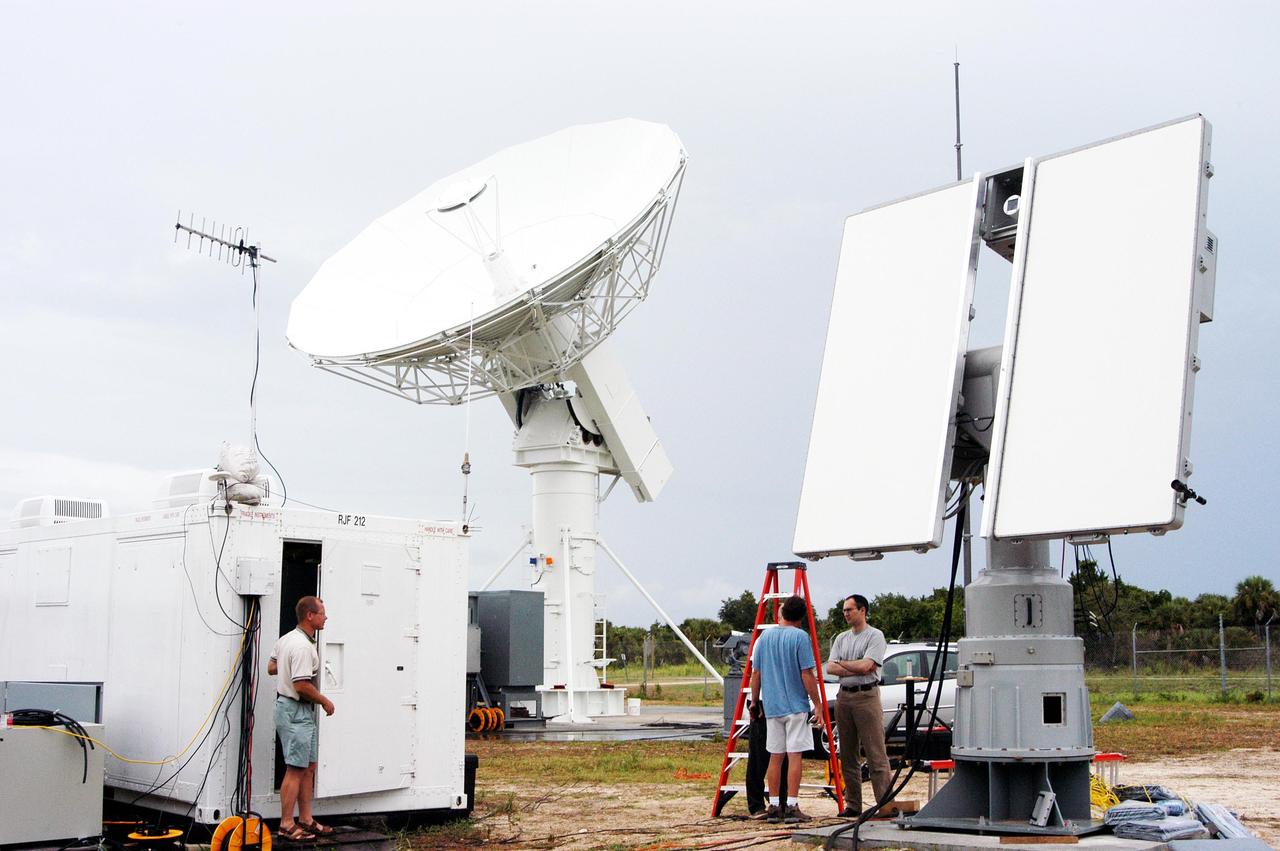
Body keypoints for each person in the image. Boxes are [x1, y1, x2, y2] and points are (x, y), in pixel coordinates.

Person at [749, 594, 825, 824]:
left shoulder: (764, 637)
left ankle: (773, 805)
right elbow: (806, 673)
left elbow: (756, 673)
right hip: (795, 706)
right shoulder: (800, 638)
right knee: (794, 756)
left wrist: (754, 701)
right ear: (801, 617)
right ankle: (791, 804)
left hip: (772, 707)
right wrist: (818, 703)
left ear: (782, 614)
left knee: (775, 756)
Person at [268, 596, 336, 840]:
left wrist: (287, 665)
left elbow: (271, 667)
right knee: (296, 768)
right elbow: (301, 686)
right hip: (295, 709)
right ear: (310, 616)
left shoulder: (287, 640)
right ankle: (286, 824)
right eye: (322, 613)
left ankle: (305, 819)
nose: (325, 617)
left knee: (308, 767)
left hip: (296, 710)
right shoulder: (303, 647)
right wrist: (325, 701)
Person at [825, 593, 891, 817]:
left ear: (862, 611)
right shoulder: (841, 638)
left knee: (875, 753)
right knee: (848, 753)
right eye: (844, 610)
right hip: (844, 696)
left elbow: (868, 667)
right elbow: (830, 668)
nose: (845, 614)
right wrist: (853, 665)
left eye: (849, 610)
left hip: (866, 696)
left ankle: (884, 803)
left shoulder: (875, 636)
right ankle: (853, 804)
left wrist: (844, 664)